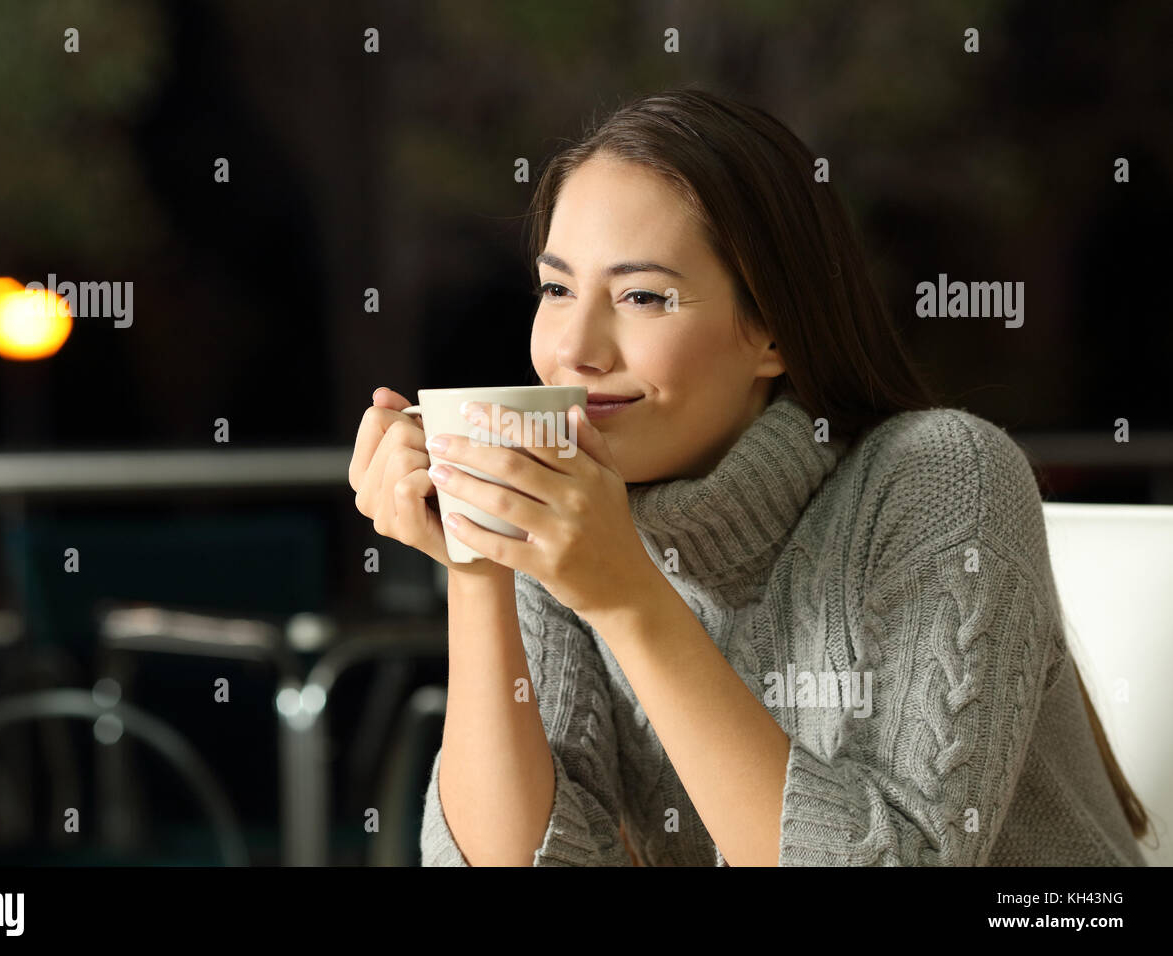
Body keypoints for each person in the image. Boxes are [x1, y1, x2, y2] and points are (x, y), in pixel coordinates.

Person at [349, 88, 1150, 866]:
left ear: (771, 331)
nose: (575, 348)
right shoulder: (569, 518)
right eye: (557, 288)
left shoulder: (942, 477)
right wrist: (478, 563)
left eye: (642, 295)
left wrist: (626, 597)